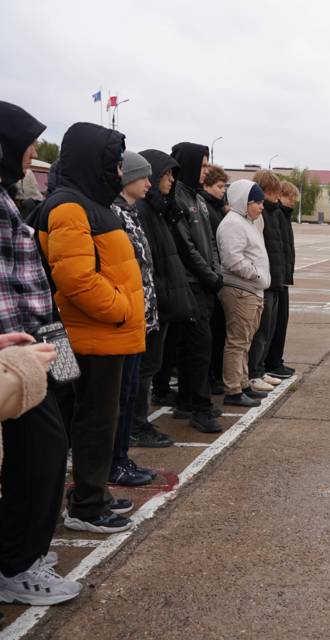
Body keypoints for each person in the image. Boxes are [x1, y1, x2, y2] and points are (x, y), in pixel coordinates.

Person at [37, 122, 145, 532]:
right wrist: (121, 310)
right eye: (114, 164)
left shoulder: (89, 202)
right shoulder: (69, 208)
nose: (119, 173)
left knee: (91, 420)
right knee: (91, 421)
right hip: (86, 335)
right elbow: (76, 279)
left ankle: (89, 491)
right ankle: (86, 505)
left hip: (97, 335)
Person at [0, 101, 82, 604]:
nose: (34, 151)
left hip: (33, 339)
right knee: (40, 453)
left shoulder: (8, 195)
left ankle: (21, 549)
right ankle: (15, 563)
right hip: (15, 349)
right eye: (27, 142)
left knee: (44, 451)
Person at [133, 149, 196, 448]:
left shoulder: (160, 210)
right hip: (154, 304)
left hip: (163, 303)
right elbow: (148, 264)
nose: (171, 180)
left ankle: (137, 422)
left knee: (151, 366)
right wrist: (161, 295)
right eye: (167, 174)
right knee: (145, 368)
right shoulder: (144, 212)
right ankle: (136, 425)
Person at [107, 151, 160, 486]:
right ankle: (116, 461)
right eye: (144, 177)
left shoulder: (131, 213)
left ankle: (122, 457)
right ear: (128, 179)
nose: (149, 183)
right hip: (124, 319)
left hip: (140, 318)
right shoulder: (114, 214)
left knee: (129, 395)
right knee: (120, 398)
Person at [169, 142, 223, 434]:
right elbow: (186, 248)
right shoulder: (177, 198)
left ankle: (188, 401)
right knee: (198, 347)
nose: (205, 171)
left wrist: (215, 271)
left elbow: (210, 243)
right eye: (201, 166)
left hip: (205, 284)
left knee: (200, 347)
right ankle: (199, 407)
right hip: (190, 285)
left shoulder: (198, 200)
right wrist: (209, 276)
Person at [217, 180, 270, 407]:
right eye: (256, 202)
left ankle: (243, 382)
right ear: (242, 202)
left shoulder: (249, 222)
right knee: (237, 341)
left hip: (251, 291)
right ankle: (233, 390)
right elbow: (232, 259)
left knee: (245, 340)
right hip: (240, 290)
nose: (261, 206)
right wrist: (256, 275)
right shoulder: (233, 224)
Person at [248, 170, 284, 393]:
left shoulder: (273, 214)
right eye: (273, 192)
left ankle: (260, 369)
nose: (276, 197)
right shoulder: (260, 217)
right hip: (264, 281)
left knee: (268, 330)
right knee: (259, 331)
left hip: (274, 279)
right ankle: (253, 372)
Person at [200, 164, 229, 395]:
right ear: (207, 185)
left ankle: (214, 376)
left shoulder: (219, 208)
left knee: (219, 331)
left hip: (218, 276)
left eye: (224, 187)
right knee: (210, 333)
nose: (223, 191)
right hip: (210, 278)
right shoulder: (205, 208)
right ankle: (210, 377)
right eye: (219, 186)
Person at [265, 180, 298, 381]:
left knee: (280, 322)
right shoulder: (276, 215)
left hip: (282, 276)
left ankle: (277, 361)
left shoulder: (283, 216)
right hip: (275, 278)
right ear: (281, 195)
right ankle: (272, 363)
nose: (293, 201)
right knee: (273, 325)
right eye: (290, 197)